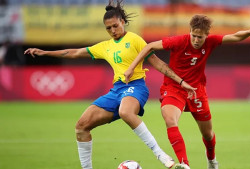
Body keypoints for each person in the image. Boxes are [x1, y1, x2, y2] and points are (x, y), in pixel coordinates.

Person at [24, 0, 196, 169]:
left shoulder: (135, 39)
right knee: (81, 127)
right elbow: (75, 52)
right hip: (116, 91)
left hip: (135, 86)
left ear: (122, 22)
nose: (113, 31)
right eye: (108, 28)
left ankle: (161, 155)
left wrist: (181, 82)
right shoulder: (105, 46)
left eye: (115, 26)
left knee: (125, 112)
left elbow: (157, 63)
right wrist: (44, 52)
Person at [124, 14, 250, 169]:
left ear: (207, 35)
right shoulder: (178, 41)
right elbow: (148, 46)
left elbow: (234, 37)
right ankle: (185, 164)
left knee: (207, 134)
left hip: (196, 90)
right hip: (174, 88)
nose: (197, 40)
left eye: (200, 37)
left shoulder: (211, 42)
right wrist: (131, 68)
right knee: (170, 120)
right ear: (190, 31)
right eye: (194, 36)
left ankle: (212, 160)